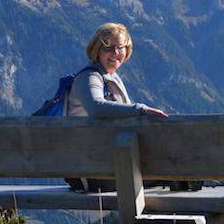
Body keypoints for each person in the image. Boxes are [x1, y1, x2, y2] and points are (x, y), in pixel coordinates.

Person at [64, 23, 167, 192]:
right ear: (96, 49)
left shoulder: (113, 78)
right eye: (108, 47)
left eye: (120, 47)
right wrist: (141, 110)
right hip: (90, 172)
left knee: (174, 173)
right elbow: (96, 108)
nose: (115, 52)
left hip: (110, 165)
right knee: (172, 172)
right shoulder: (89, 77)